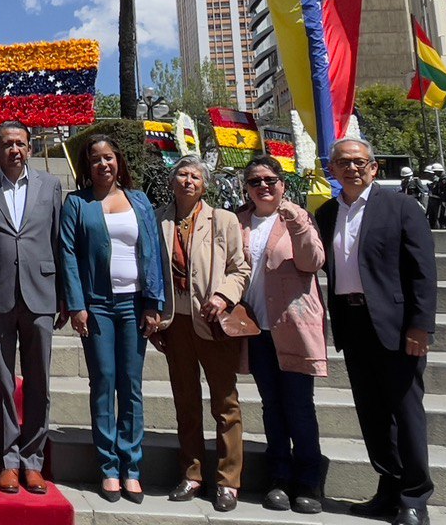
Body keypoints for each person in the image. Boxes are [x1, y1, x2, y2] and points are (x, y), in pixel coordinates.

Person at [315, 138, 437, 525]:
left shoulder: (401, 207)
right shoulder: (327, 212)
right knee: (372, 413)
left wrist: (420, 326)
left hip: (396, 326)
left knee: (405, 412)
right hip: (353, 325)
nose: (351, 168)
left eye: (359, 162)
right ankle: (389, 488)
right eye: (343, 162)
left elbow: (423, 271)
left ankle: (414, 498)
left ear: (373, 168)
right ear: (331, 169)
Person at [58, 134, 164, 504]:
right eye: (95, 160)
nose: (103, 164)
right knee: (103, 382)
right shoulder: (77, 203)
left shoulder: (139, 201)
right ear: (87, 167)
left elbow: (153, 250)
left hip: (134, 304)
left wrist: (155, 302)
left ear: (118, 161)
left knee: (130, 386)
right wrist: (76, 304)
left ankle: (131, 466)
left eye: (108, 158)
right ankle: (108, 466)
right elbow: (68, 254)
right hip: (98, 304)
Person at [0, 120, 66, 497]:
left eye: (21, 143)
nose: (14, 150)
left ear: (30, 148)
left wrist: (64, 295)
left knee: (38, 380)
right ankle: (7, 461)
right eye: (7, 144)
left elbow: (59, 241)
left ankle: (33, 460)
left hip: (41, 293)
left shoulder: (50, 186)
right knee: (2, 381)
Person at [153, 154, 250, 513]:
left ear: (204, 185)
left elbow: (240, 268)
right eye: (182, 174)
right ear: (172, 180)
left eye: (195, 176)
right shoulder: (159, 218)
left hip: (212, 321)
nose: (188, 181)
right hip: (174, 321)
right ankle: (192, 474)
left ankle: (228, 481)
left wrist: (224, 296)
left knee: (225, 403)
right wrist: (155, 317)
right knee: (186, 401)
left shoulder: (222, 219)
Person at [238, 156, 326, 514]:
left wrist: (296, 220)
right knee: (272, 406)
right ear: (247, 188)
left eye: (270, 180)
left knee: (299, 406)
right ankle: (278, 475)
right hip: (257, 329)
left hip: (293, 327)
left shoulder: (296, 218)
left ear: (282, 184)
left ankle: (308, 480)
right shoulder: (239, 221)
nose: (263, 187)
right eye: (255, 181)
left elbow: (312, 262)